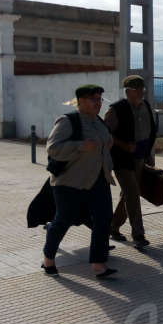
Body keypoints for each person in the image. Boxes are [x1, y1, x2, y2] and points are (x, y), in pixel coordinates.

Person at [41, 84, 116, 278]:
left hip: (98, 180)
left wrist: (108, 145)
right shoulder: (68, 121)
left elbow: (101, 149)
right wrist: (81, 145)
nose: (98, 103)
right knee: (63, 220)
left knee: (104, 219)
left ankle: (99, 264)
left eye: (99, 99)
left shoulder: (99, 122)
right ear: (80, 101)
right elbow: (53, 148)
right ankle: (48, 258)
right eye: (94, 99)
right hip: (70, 182)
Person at [104, 75, 157, 249]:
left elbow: (150, 131)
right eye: (137, 89)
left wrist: (149, 152)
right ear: (128, 92)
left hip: (140, 158)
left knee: (128, 194)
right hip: (122, 160)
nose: (141, 92)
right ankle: (138, 235)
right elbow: (104, 133)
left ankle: (112, 226)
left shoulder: (146, 106)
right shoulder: (116, 110)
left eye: (142, 89)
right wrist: (124, 145)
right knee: (133, 193)